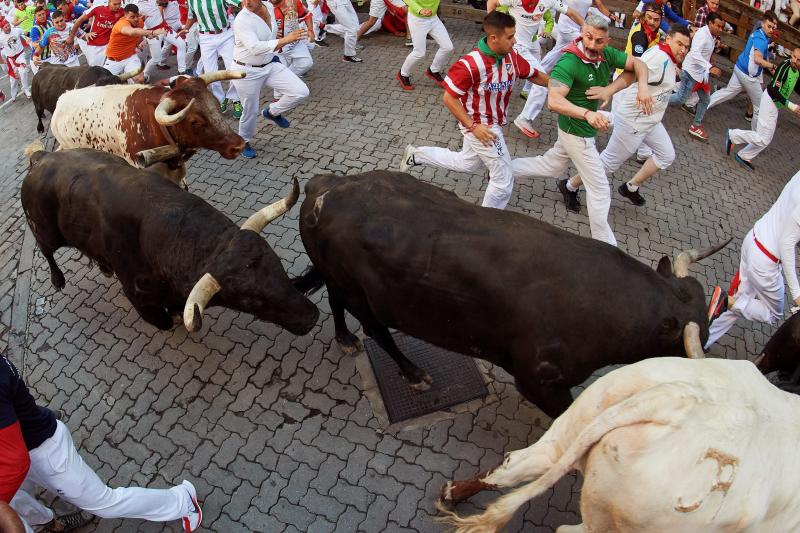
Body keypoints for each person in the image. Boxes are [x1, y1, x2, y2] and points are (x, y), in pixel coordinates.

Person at [0, 353, 202, 533]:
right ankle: (46, 523)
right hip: (22, 449)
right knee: (18, 498)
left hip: (46, 452)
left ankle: (183, 501)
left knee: (106, 503)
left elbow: (17, 462)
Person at [510, 14, 652, 246]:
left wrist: (616, 90)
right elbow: (554, 101)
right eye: (588, 38)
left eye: (599, 41)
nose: (592, 45)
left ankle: (505, 169)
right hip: (577, 133)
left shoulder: (606, 54)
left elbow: (638, 66)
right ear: (582, 34)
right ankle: (605, 247)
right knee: (600, 189)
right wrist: (588, 114)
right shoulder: (568, 62)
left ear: (607, 41)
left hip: (578, 130)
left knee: (550, 165)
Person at [400, 11, 549, 209]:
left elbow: (534, 74)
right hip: (481, 128)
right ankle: (487, 224)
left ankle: (416, 155)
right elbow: (449, 98)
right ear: (493, 38)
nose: (515, 41)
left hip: (490, 124)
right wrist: (473, 126)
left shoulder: (511, 57)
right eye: (510, 37)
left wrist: (562, 87)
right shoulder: (469, 64)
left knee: (466, 163)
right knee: (503, 179)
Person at [569, 24, 690, 207]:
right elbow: (632, 73)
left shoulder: (670, 58)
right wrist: (609, 90)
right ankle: (569, 185)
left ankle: (631, 187)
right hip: (634, 122)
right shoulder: (659, 57)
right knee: (608, 163)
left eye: (687, 47)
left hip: (651, 121)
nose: (683, 49)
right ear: (668, 40)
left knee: (666, 155)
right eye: (680, 44)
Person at [706, 171, 800, 348]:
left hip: (753, 240)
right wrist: (797, 295)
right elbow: (787, 243)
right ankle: (726, 301)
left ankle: (704, 339)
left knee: (740, 301)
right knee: (773, 314)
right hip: (766, 262)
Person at [490, 0, 585, 138]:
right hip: (518, 45)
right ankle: (524, 118)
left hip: (532, 42)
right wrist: (493, 29)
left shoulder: (549, 1)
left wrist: (586, 26)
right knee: (541, 84)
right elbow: (491, 2)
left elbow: (570, 12)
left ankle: (524, 90)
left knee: (535, 67)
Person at [230, 0, 309, 158]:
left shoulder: (269, 6)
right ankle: (243, 141)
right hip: (246, 70)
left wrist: (275, 35)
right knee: (250, 110)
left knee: (301, 91)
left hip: (269, 64)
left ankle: (272, 112)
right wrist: (285, 40)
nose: (246, 3)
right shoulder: (241, 20)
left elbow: (269, 32)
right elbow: (255, 47)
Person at [725, 47, 800, 169]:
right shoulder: (784, 67)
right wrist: (791, 106)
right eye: (793, 56)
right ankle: (733, 135)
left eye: (798, 59)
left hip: (776, 105)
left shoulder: (797, 71)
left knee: (767, 138)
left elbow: (797, 87)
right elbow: (772, 90)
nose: (794, 60)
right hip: (769, 102)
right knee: (763, 138)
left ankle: (744, 155)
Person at [706, 12, 778, 122]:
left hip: (740, 68)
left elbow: (759, 55)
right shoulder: (761, 39)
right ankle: (757, 135)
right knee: (760, 105)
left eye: (773, 27)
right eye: (769, 26)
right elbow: (758, 59)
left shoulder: (759, 33)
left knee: (728, 92)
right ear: (762, 24)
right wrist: (773, 65)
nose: (771, 29)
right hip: (747, 75)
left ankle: (703, 106)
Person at [668, 12, 725, 140]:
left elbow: (704, 53)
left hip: (700, 74)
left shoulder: (711, 35)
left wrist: (709, 63)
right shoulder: (702, 35)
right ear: (710, 23)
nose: (720, 29)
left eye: (722, 27)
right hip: (691, 72)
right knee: (680, 99)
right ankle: (657, 101)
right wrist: (710, 67)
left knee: (705, 100)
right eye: (718, 26)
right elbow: (695, 54)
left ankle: (696, 125)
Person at [184, 0, 242, 116]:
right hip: (206, 38)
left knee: (232, 68)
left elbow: (241, 4)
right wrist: (185, 29)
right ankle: (220, 100)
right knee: (211, 72)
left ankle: (236, 99)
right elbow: (191, 17)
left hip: (226, 35)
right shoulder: (191, 1)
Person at [395, 0, 452, 89]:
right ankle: (403, 74)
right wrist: (420, 10)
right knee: (419, 52)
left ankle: (433, 70)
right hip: (417, 20)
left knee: (448, 47)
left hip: (433, 18)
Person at [104, 4, 164, 79]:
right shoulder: (121, 23)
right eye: (132, 17)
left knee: (140, 79)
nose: (136, 19)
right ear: (125, 16)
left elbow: (138, 34)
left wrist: (146, 36)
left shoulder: (140, 22)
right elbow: (131, 32)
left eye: (137, 16)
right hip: (114, 61)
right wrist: (152, 32)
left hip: (131, 58)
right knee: (104, 84)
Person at [137, 0, 187, 80]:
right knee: (156, 59)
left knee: (182, 44)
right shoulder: (136, 4)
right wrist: (144, 35)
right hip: (152, 33)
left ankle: (182, 72)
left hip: (164, 28)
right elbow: (135, 22)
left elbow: (162, 3)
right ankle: (145, 74)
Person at [65, 0, 122, 66]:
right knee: (96, 71)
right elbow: (79, 20)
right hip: (95, 45)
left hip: (110, 44)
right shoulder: (97, 8)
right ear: (109, 3)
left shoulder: (122, 11)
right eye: (115, 4)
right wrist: (71, 37)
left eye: (119, 4)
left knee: (113, 70)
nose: (117, 6)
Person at [272, 0, 315, 76]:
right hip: (278, 47)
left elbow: (307, 15)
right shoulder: (264, 7)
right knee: (280, 72)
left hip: (295, 42)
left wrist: (310, 30)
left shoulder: (295, 2)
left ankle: (287, 79)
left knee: (306, 63)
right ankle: (284, 82)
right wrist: (272, 33)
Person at [0, 18, 30, 100]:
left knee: (23, 71)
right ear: (2, 29)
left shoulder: (16, 30)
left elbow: (26, 33)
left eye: (8, 25)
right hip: (11, 59)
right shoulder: (1, 37)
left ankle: (25, 89)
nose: (8, 28)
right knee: (13, 80)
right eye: (6, 27)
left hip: (20, 55)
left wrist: (31, 36)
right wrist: (2, 60)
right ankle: (13, 94)